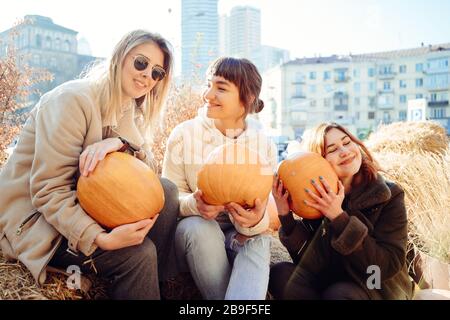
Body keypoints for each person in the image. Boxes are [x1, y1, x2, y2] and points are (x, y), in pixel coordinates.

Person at [0, 30, 179, 300]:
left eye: (157, 73)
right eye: (141, 63)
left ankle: (157, 287)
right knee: (141, 255)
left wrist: (120, 143)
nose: (147, 76)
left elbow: (148, 175)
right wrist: (100, 239)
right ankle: (136, 271)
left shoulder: (127, 107)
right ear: (120, 57)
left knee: (166, 191)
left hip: (86, 205)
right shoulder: (71, 101)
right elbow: (49, 192)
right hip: (39, 223)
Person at [162, 57, 277, 300]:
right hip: (194, 232)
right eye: (208, 84)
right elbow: (168, 198)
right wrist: (195, 204)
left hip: (237, 233)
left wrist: (255, 220)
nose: (208, 95)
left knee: (260, 241)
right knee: (200, 228)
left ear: (246, 99)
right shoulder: (184, 134)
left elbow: (265, 208)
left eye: (221, 88)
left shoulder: (263, 145)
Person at [269, 122, 415, 300]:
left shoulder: (389, 195)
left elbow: (384, 267)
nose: (345, 151)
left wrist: (339, 218)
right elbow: (309, 264)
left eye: (347, 142)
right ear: (318, 161)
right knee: (280, 275)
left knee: (339, 294)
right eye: (332, 149)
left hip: (374, 287)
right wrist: (286, 218)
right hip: (331, 283)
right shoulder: (316, 196)